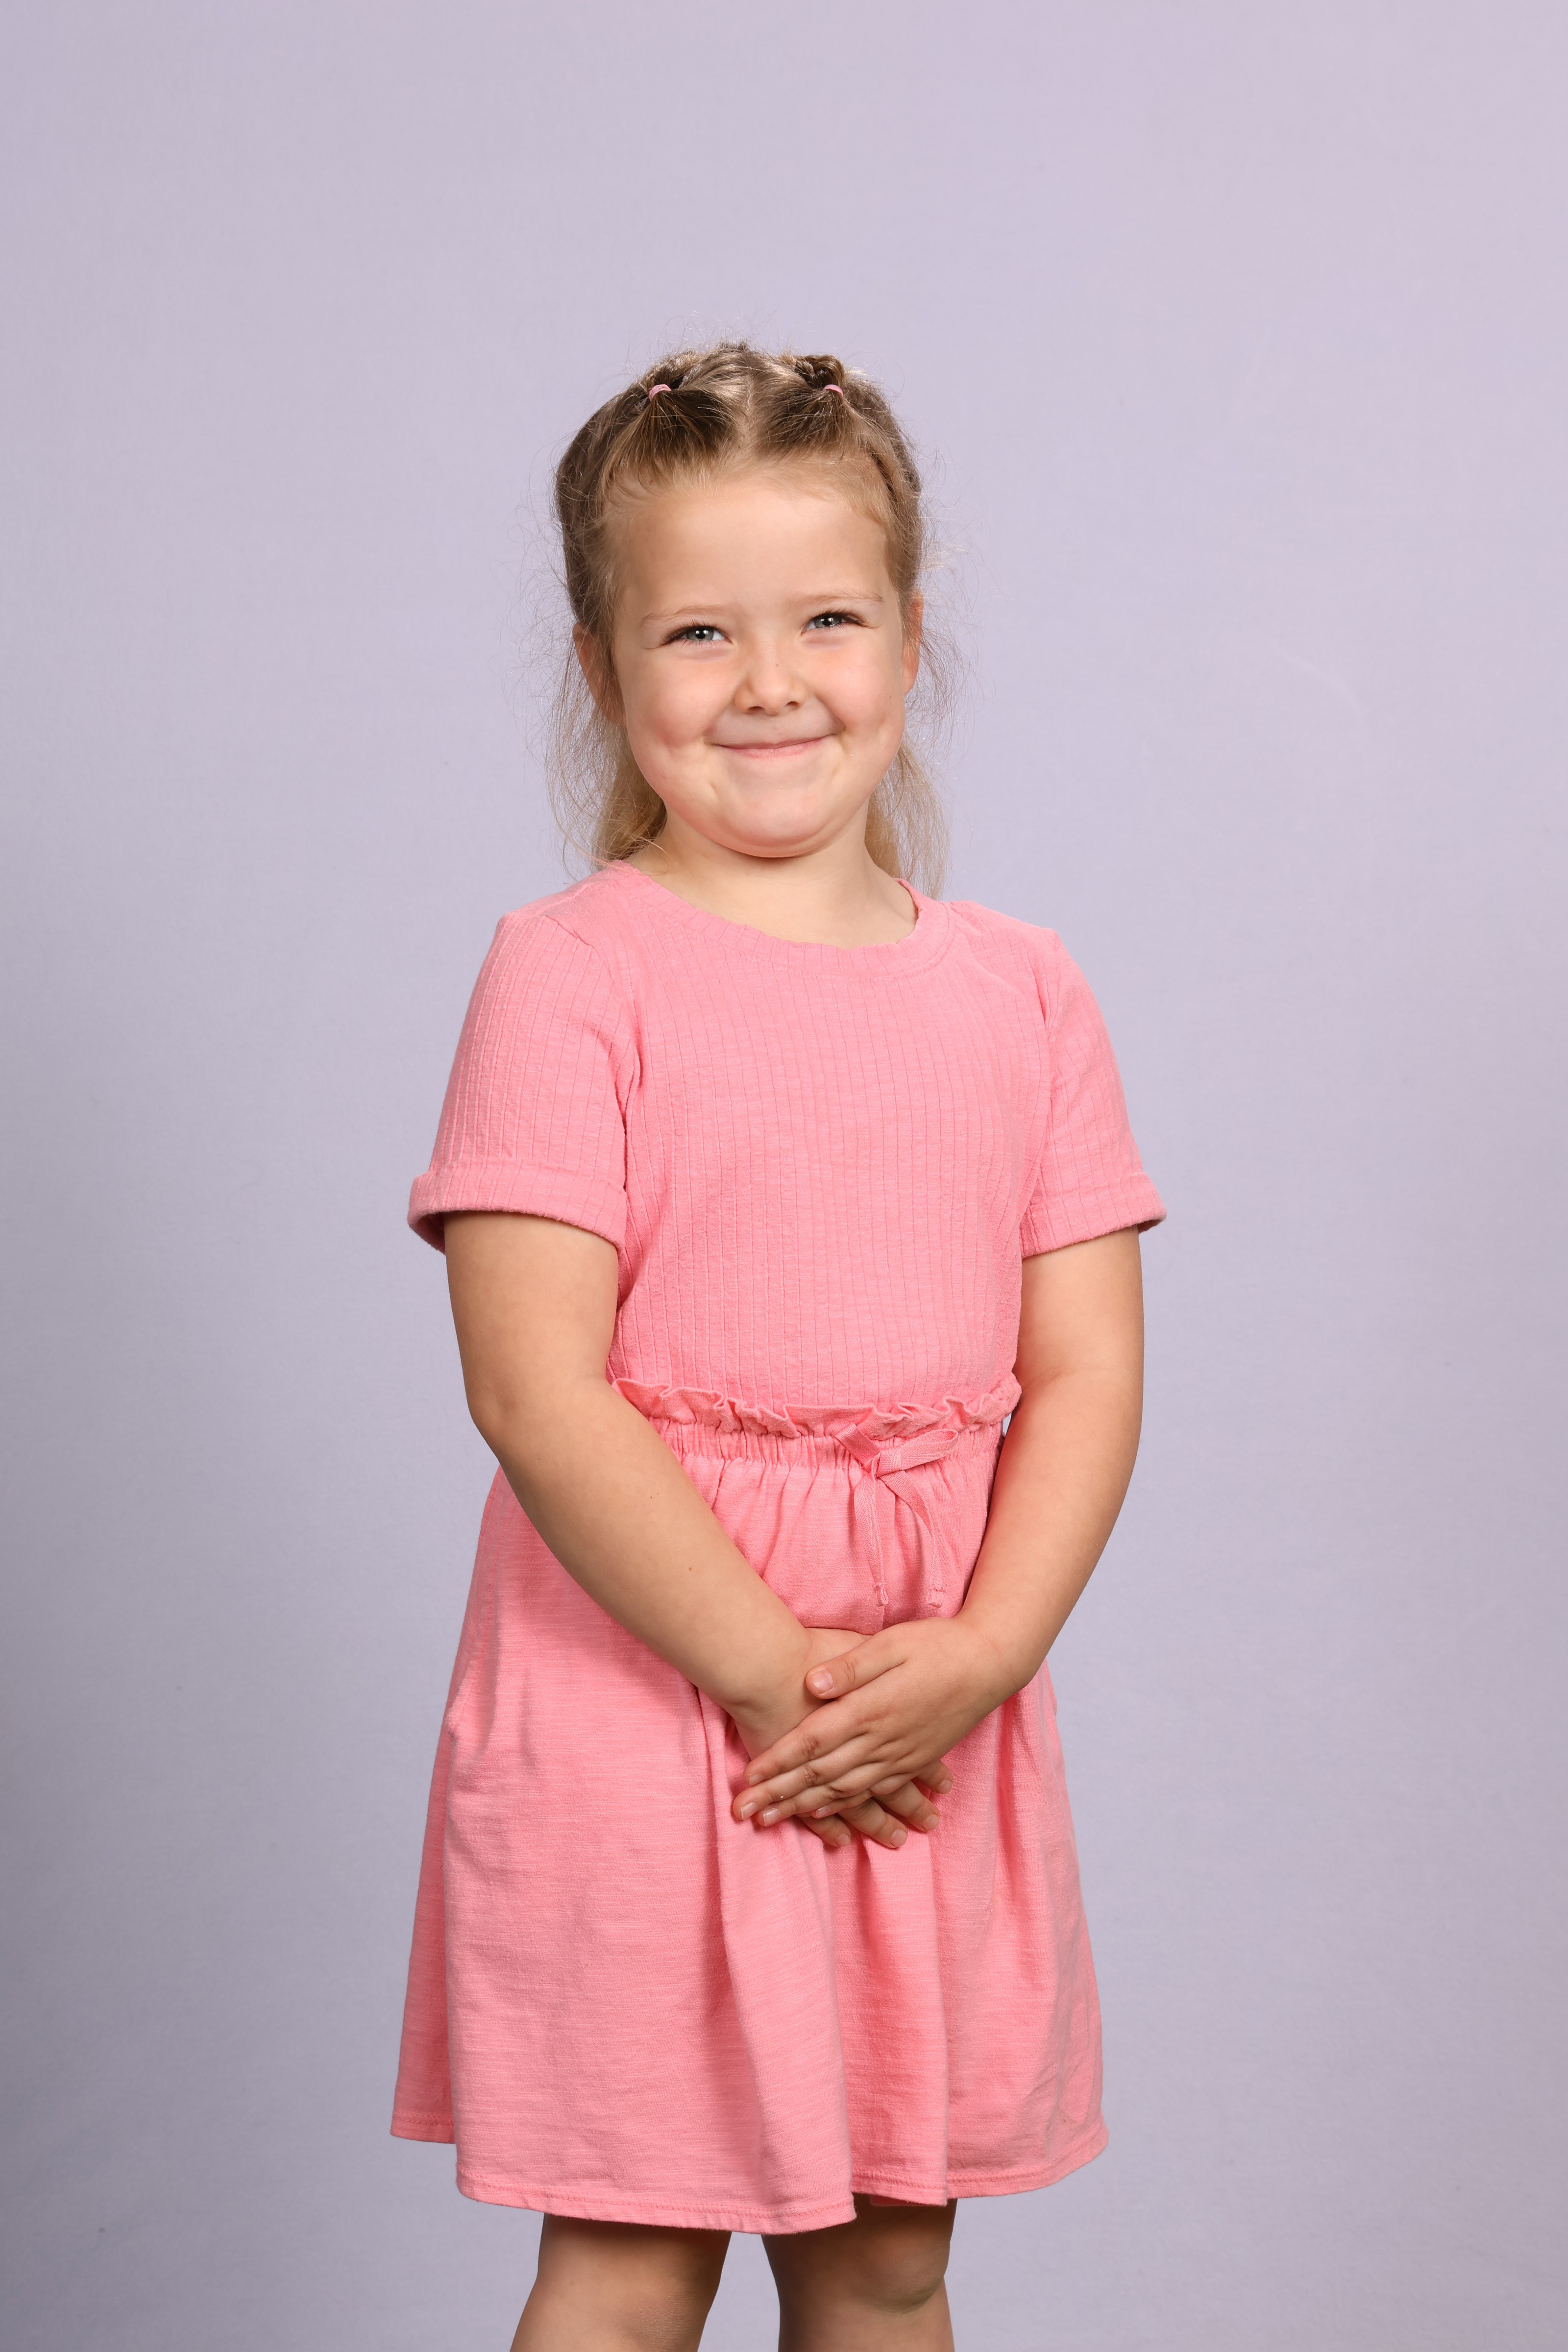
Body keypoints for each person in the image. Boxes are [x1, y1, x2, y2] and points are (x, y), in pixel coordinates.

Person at [391, 342, 1165, 2351]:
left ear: (908, 638)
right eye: (697, 631)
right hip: (648, 1692)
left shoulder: (1023, 993)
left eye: (825, 619)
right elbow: (532, 1385)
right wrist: (762, 1672)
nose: (767, 681)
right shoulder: (569, 976)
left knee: (890, 2254)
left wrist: (977, 1657)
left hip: (927, 1692)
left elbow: (1085, 1371)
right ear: (600, 668)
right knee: (633, 2257)